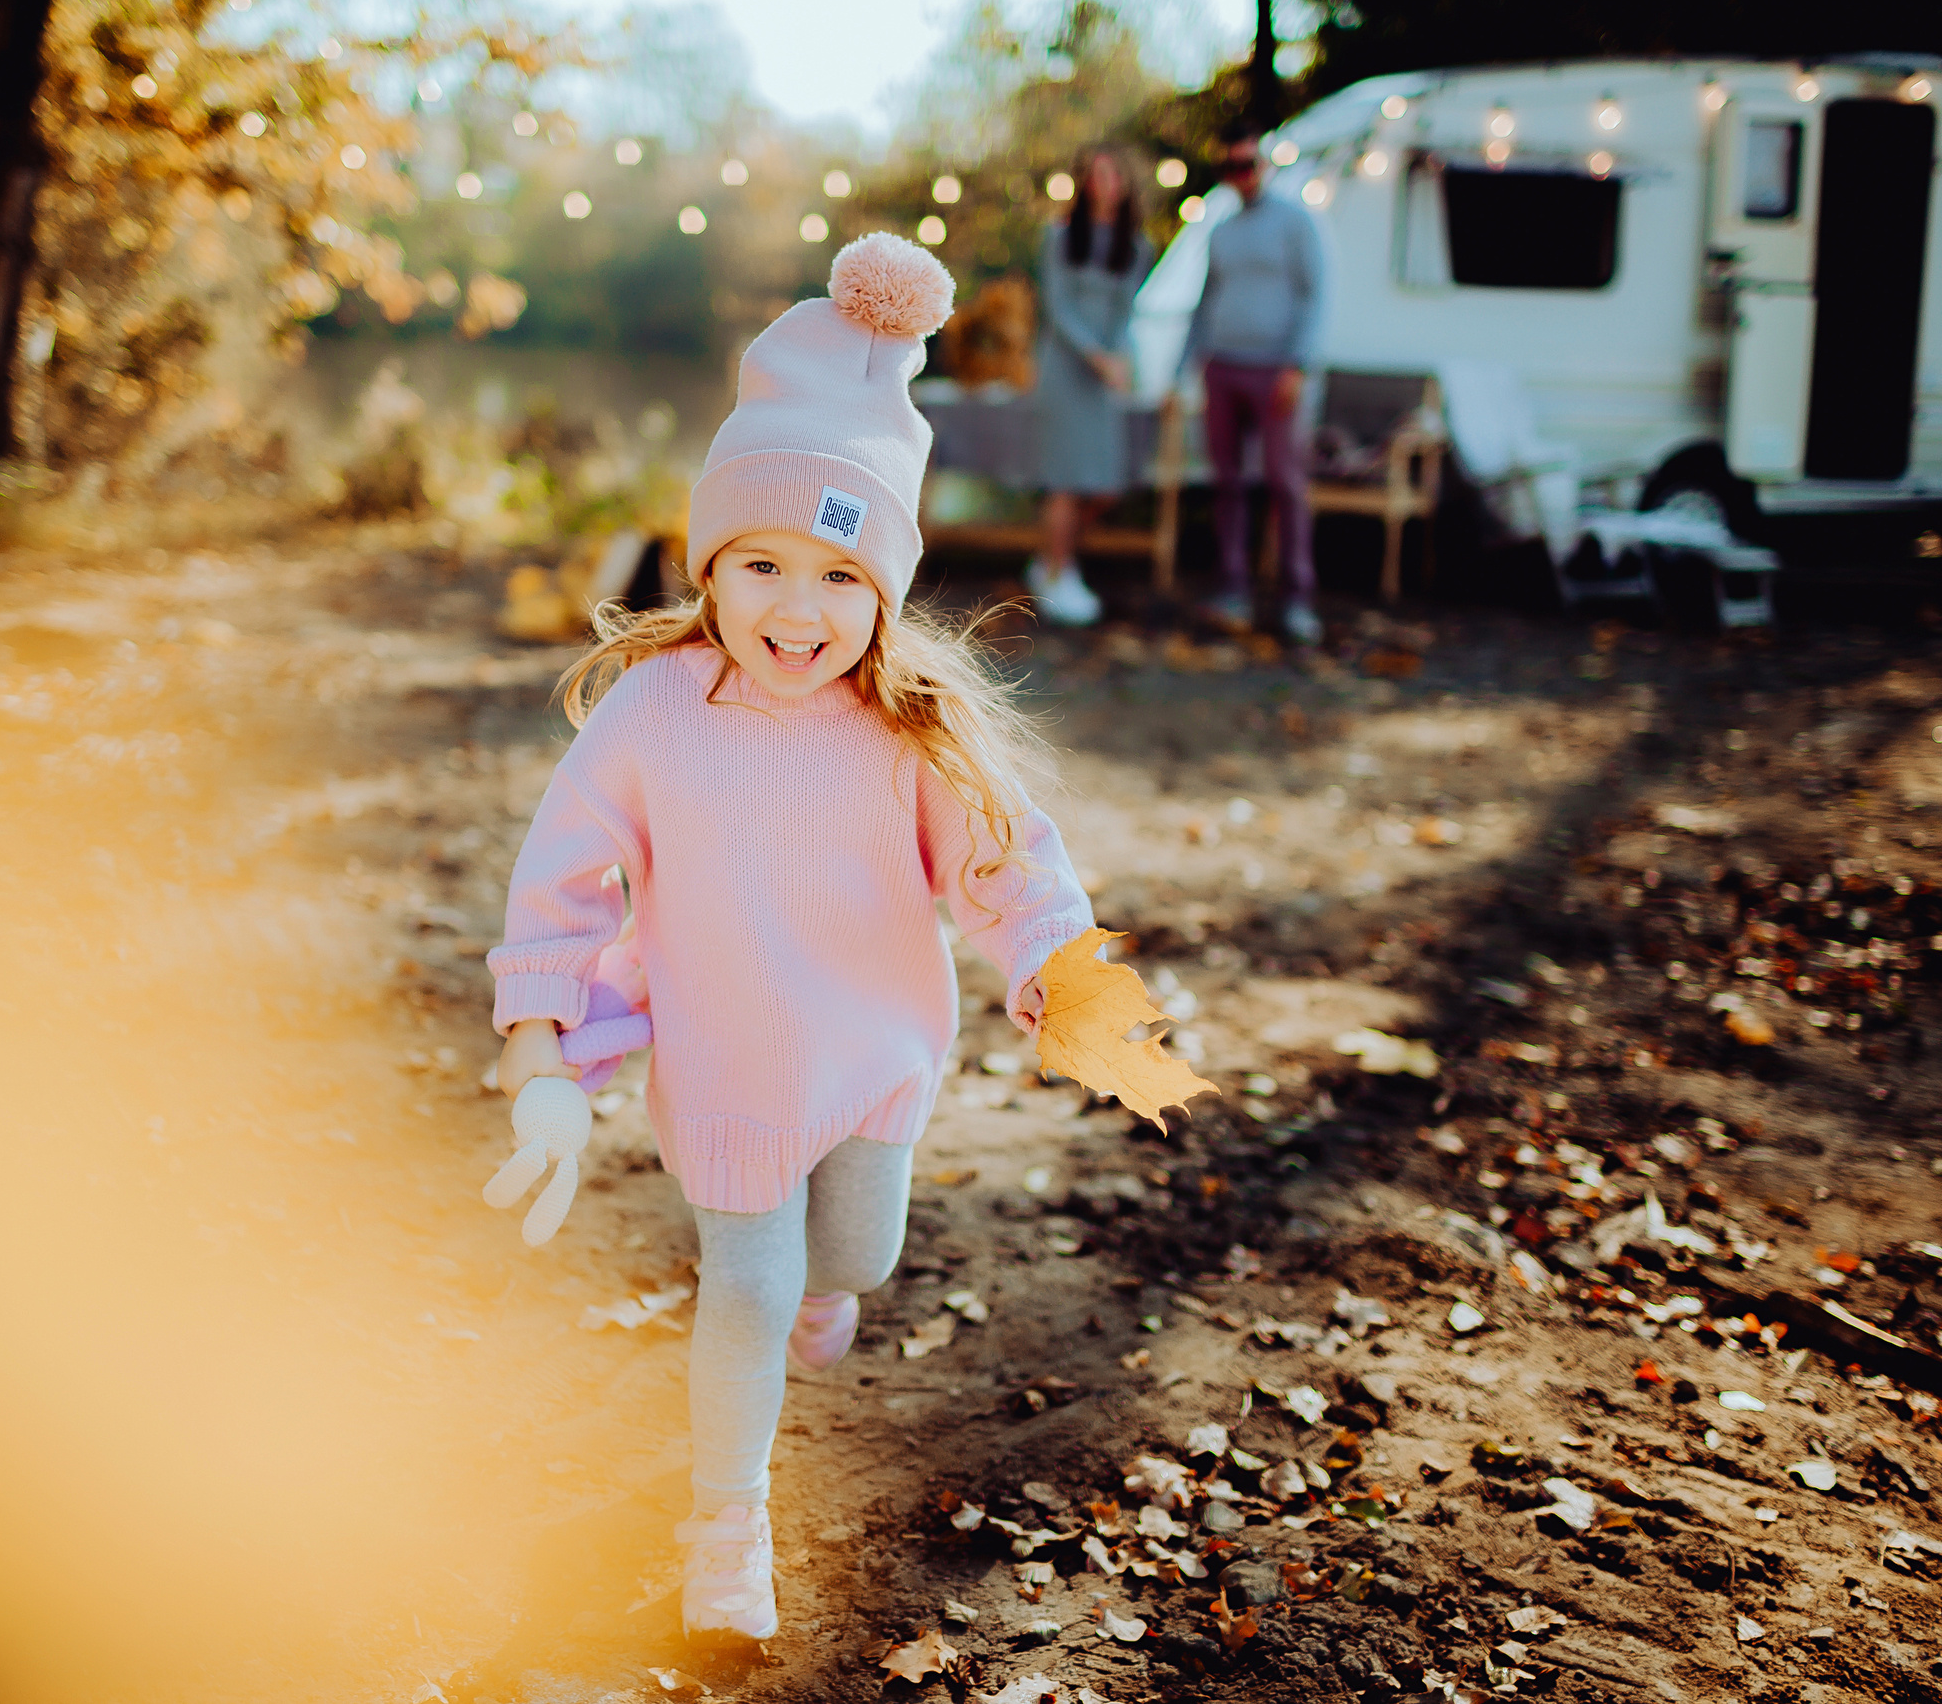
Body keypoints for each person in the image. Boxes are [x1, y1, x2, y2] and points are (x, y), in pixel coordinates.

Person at [487, 232, 1095, 1646]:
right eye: (760, 563)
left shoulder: (908, 723)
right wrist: (542, 1061)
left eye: (837, 572)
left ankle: (835, 1292)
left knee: (858, 1263)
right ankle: (726, 1527)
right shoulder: (655, 714)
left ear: (883, 586)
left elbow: (1008, 865)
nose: (796, 608)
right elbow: (561, 886)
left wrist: (1053, 967)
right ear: (709, 563)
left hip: (876, 1047)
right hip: (729, 1066)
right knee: (746, 1295)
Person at [1175, 122, 1330, 644]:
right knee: (1228, 482)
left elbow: (1314, 295)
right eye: (1229, 167)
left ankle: (1296, 597)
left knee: (1286, 482)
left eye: (1247, 164)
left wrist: (1298, 364)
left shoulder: (1296, 223)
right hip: (1224, 366)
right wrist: (1186, 366)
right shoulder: (1218, 229)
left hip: (1277, 369)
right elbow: (1205, 299)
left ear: (1265, 164)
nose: (1239, 175)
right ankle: (1233, 588)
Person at [1026, 147, 1151, 628]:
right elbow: (1057, 308)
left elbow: (1125, 312)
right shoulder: (1057, 237)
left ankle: (1050, 561)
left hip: (1105, 375)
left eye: (1112, 173)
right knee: (1064, 479)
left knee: (1102, 485)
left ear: (1124, 182)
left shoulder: (1136, 246)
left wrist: (1117, 357)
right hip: (1064, 369)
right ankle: (1058, 575)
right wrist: (1095, 355)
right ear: (1084, 182)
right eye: (1095, 175)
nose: (1104, 182)